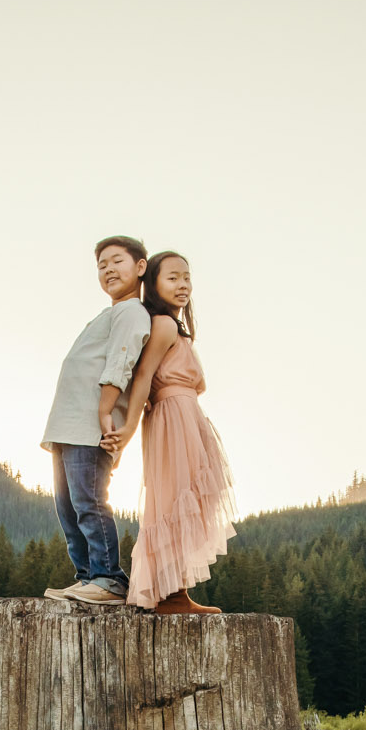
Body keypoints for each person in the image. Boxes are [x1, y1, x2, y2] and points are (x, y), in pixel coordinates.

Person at [112, 251, 236, 614]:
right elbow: (143, 378)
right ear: (153, 283)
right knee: (175, 496)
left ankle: (174, 589)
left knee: (194, 497)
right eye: (172, 278)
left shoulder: (174, 328)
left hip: (185, 416)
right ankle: (169, 594)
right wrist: (129, 429)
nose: (183, 285)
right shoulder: (163, 325)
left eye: (186, 277)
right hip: (172, 417)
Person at [39, 235, 152, 606]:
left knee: (88, 501)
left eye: (116, 261)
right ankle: (87, 577)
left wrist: (105, 411)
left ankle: (108, 578)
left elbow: (119, 362)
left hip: (91, 426)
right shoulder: (110, 312)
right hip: (69, 425)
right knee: (68, 506)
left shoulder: (132, 311)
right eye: (101, 265)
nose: (107, 270)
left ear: (140, 267)